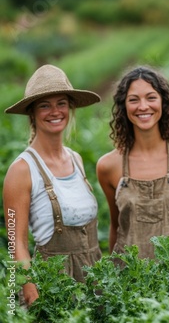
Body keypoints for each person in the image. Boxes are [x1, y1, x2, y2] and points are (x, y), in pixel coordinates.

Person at [3, 64, 102, 306]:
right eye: (44, 105)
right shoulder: (22, 170)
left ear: (70, 108)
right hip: (53, 290)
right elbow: (16, 244)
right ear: (32, 114)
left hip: (93, 286)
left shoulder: (75, 159)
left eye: (61, 103)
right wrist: (28, 292)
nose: (54, 111)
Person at [96, 66, 169, 259]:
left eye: (151, 97)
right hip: (128, 281)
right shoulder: (108, 166)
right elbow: (116, 228)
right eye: (134, 100)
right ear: (123, 106)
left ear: (163, 102)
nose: (143, 107)